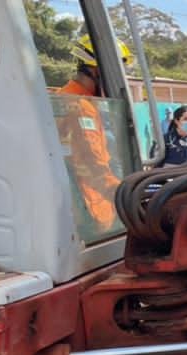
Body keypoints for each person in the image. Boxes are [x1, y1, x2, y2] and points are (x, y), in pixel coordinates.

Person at [56, 35, 131, 234]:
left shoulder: (64, 96)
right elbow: (92, 164)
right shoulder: (81, 107)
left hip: (76, 205)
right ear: (98, 70)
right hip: (90, 209)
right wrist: (126, 195)